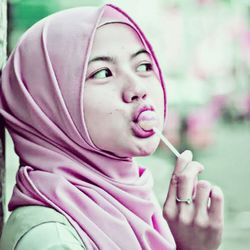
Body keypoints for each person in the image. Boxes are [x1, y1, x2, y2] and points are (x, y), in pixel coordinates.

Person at [0, 4, 224, 250]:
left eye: (143, 66)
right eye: (103, 72)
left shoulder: (133, 203)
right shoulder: (49, 240)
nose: (138, 88)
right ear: (46, 104)